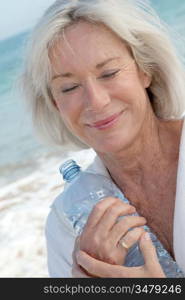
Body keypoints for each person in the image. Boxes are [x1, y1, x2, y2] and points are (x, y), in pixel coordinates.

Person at [22, 0, 185, 277]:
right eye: (69, 87)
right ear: (54, 104)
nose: (96, 101)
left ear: (144, 69)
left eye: (109, 73)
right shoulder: (66, 223)